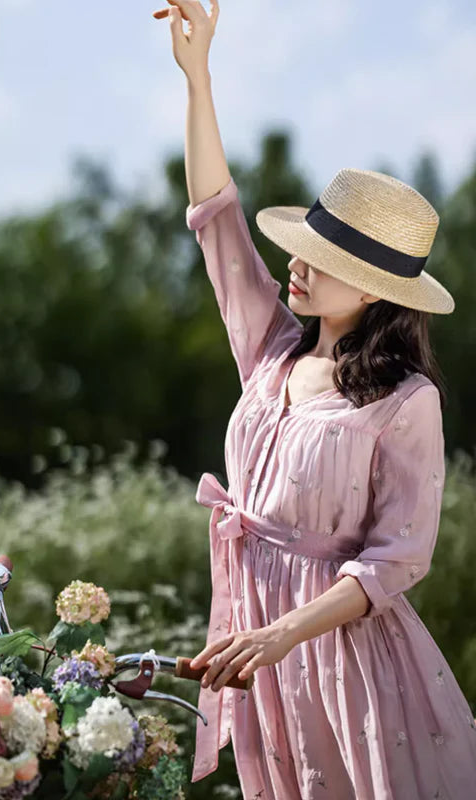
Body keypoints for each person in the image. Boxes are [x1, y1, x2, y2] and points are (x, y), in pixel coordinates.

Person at [153, 1, 476, 798]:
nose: (295, 266)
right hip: (261, 654)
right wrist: (198, 78)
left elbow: (399, 558)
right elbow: (217, 224)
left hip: (348, 666)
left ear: (373, 288)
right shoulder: (270, 351)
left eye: (321, 260)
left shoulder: (405, 401)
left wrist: (281, 634)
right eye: (302, 248)